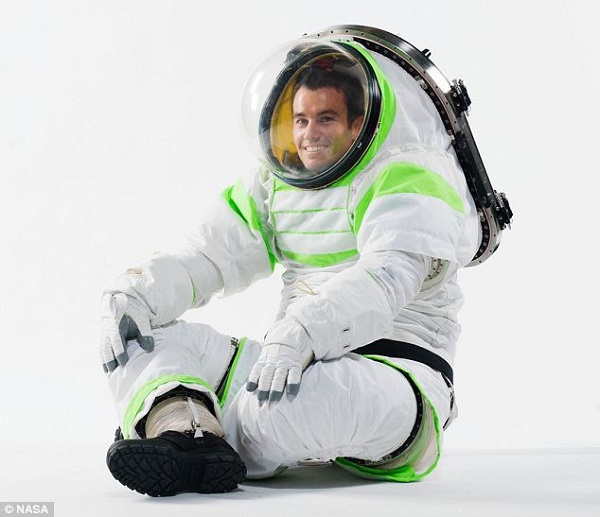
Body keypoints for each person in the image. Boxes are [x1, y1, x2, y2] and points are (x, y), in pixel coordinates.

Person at [100, 28, 483, 497]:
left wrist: (303, 331)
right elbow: (209, 256)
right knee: (139, 337)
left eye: (326, 118)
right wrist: (140, 294)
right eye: (300, 120)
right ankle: (184, 428)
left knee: (271, 411)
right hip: (293, 361)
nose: (309, 133)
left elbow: (386, 279)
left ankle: (181, 426)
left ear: (358, 124)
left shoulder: (412, 177)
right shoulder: (276, 185)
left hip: (394, 379)